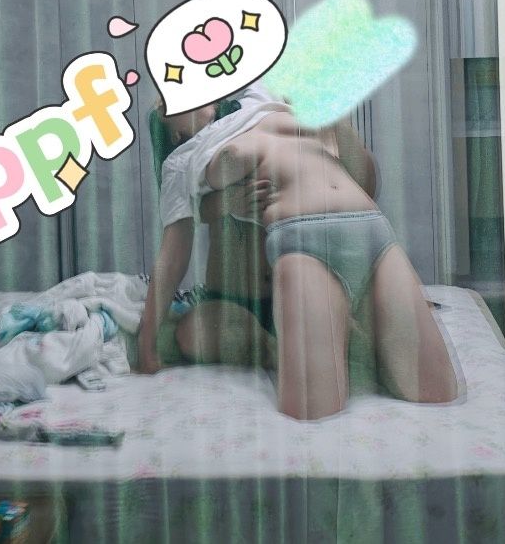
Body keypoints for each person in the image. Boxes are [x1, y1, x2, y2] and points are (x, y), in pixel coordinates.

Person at [137, 99, 458, 420]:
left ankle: (359, 339)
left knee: (437, 393)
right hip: (303, 245)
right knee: (312, 410)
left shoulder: (258, 103)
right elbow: (174, 252)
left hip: (373, 230)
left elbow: (365, 178)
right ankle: (314, 344)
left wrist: (332, 113)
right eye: (167, 101)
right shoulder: (181, 162)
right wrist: (146, 344)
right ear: (174, 134)